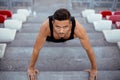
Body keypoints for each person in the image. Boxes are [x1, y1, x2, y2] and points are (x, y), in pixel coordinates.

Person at [27, 8, 97, 80]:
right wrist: (31, 68)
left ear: (70, 24)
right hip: (51, 37)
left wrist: (94, 69)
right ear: (53, 23)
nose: (61, 31)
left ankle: (62, 35)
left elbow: (88, 49)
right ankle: (55, 33)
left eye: (65, 27)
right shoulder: (46, 27)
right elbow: (36, 49)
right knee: (43, 39)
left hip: (69, 35)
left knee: (64, 35)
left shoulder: (78, 29)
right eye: (57, 27)